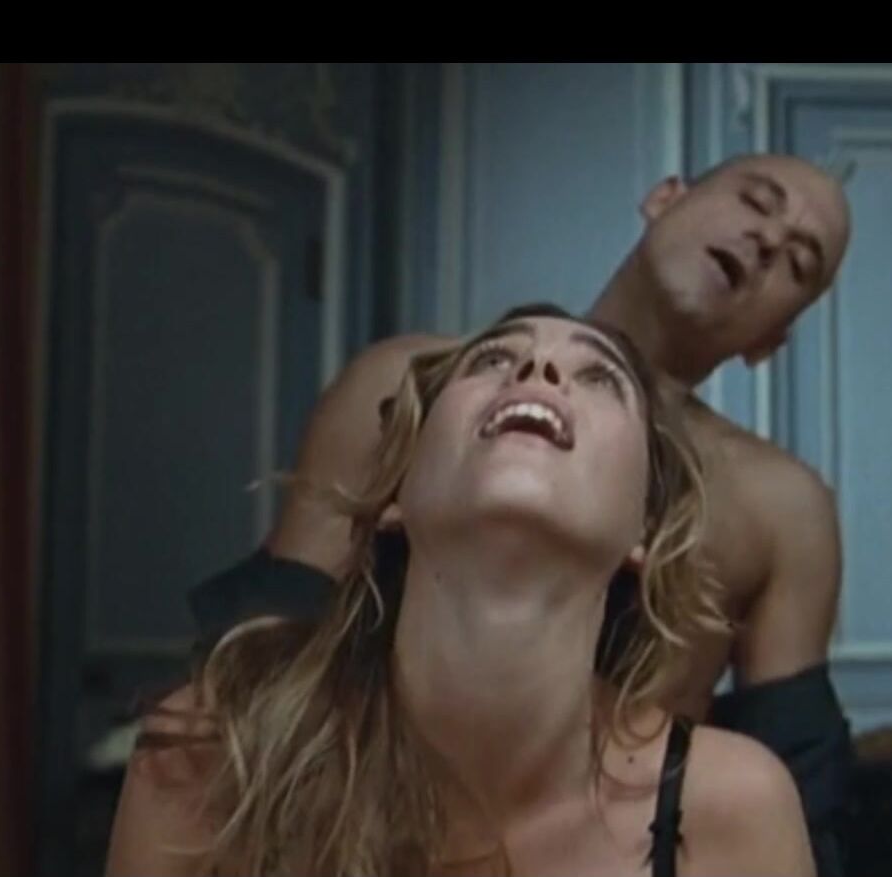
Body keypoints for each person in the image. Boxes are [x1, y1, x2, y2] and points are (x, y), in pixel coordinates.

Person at [189, 153, 856, 874]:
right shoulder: (408, 388)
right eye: (756, 201)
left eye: (799, 262)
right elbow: (262, 651)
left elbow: (803, 789)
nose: (768, 240)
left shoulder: (782, 510)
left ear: (772, 341)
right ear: (664, 197)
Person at [108, 306, 816, 877]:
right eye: (491, 360)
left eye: (601, 377)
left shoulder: (729, 810)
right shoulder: (216, 750)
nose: (538, 370)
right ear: (396, 494)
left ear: (643, 532)